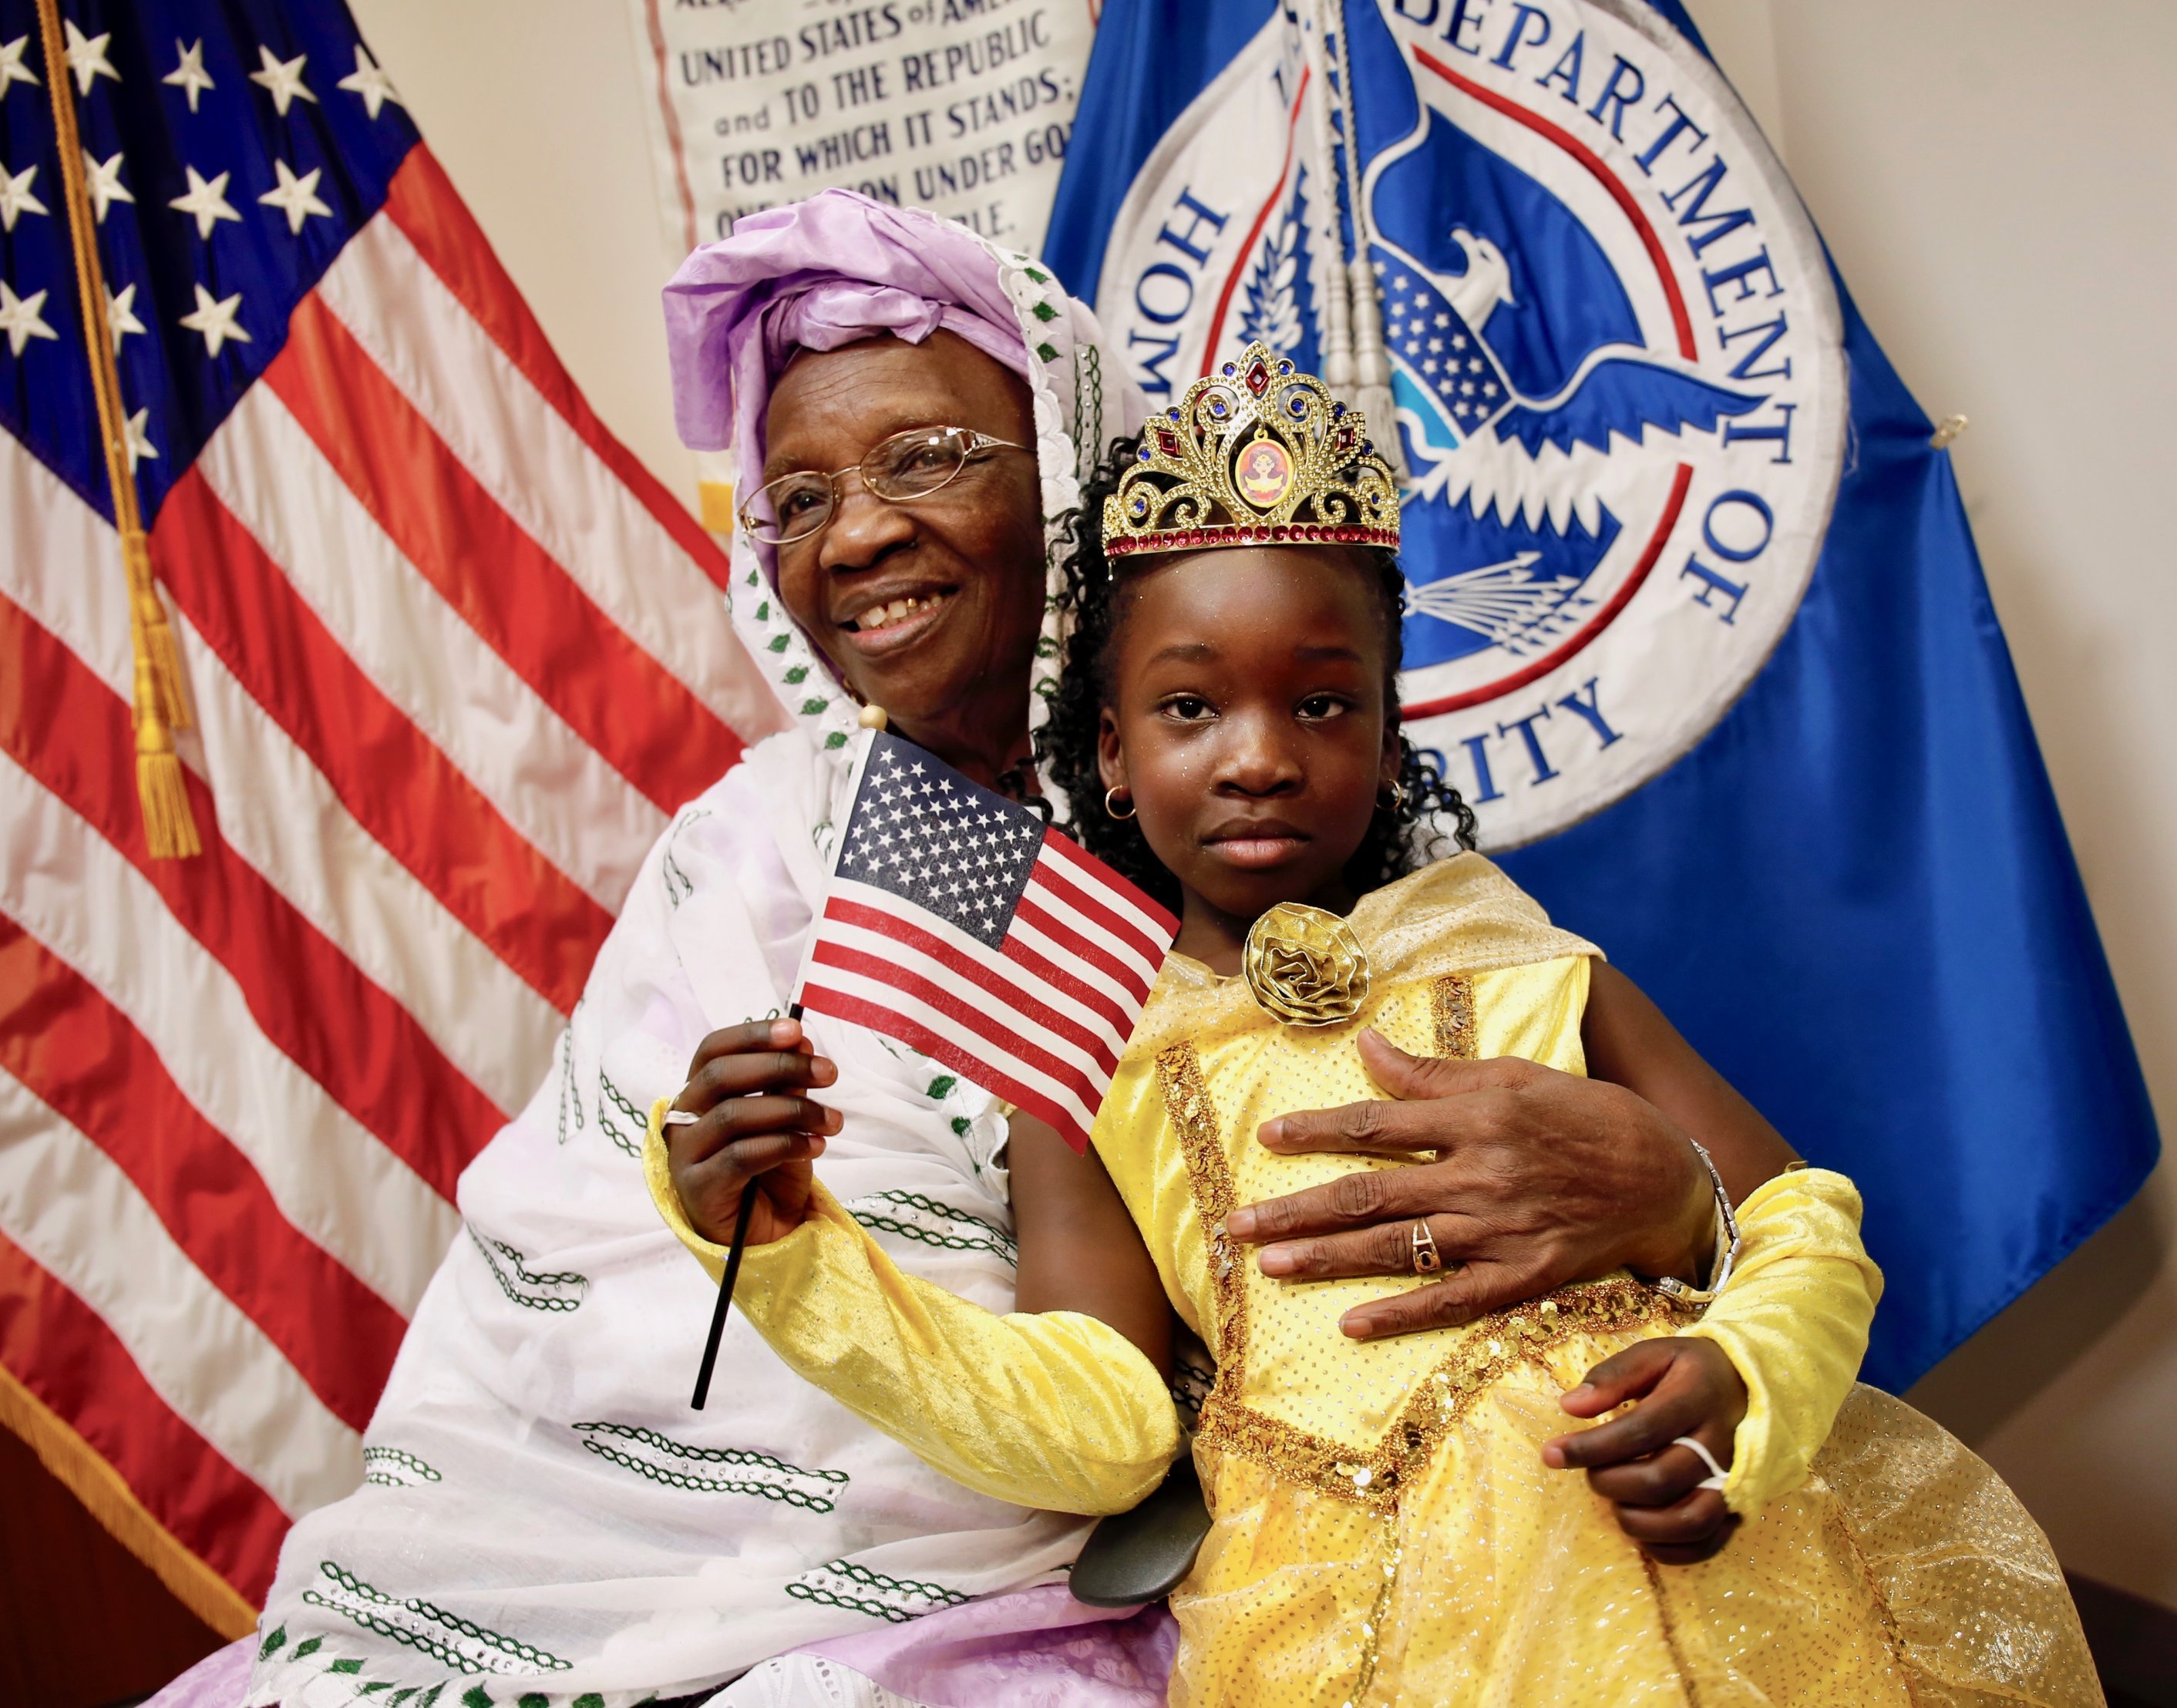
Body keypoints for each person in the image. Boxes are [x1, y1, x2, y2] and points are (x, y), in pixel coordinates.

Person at [211, 195, 1830, 1708]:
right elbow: (566, 1260)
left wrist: (1677, 1193)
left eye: (922, 458)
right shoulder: (757, 831)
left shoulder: (1262, 828)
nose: (854, 539)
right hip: (612, 1523)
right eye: (802, 497)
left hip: (1179, 1557)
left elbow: (1411, 1208)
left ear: (1062, 469)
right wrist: (732, 1205)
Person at [654, 350, 2101, 1706]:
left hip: (1680, 1575)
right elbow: (1099, 1425)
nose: (1263, 756)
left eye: (1325, 702)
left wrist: (1742, 1382)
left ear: (1388, 730)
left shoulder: (1518, 956)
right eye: (1188, 708)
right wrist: (796, 1255)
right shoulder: (1087, 1048)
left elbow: (1800, 1218)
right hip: (1351, 1620)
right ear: (1110, 747)